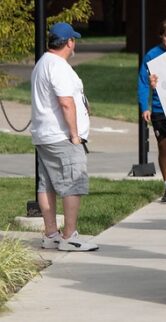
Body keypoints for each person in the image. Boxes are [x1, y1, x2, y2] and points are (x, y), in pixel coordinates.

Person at [31, 22, 98, 251]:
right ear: (69, 42)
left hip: (44, 135)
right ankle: (69, 236)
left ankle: (51, 234)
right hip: (62, 136)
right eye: (74, 40)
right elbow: (65, 102)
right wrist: (75, 135)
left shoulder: (42, 63)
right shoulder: (58, 66)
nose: (74, 43)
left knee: (46, 184)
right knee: (74, 183)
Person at [137, 18, 166, 203]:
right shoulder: (152, 55)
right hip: (158, 108)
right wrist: (144, 106)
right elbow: (143, 82)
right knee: (164, 147)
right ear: (161, 36)